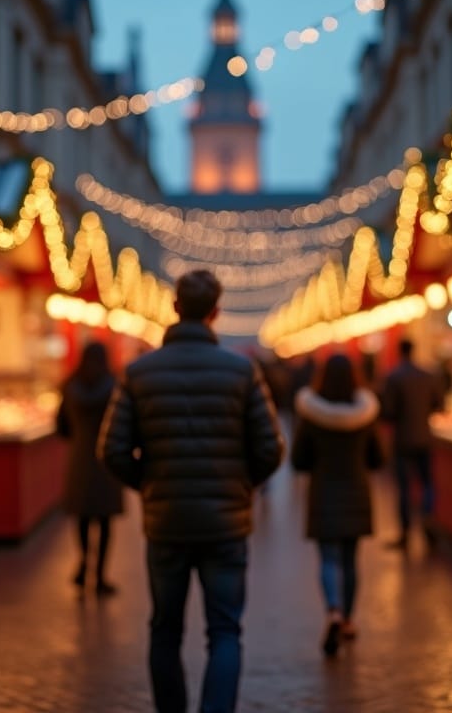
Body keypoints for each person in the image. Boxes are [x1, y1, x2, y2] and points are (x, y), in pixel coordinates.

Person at [98, 269, 283, 713]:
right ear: (216, 312)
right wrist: (240, 485)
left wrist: (150, 486)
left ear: (175, 307)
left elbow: (112, 449)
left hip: (167, 524)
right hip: (226, 524)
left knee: (165, 629)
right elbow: (271, 448)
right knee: (224, 630)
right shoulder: (242, 371)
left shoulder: (139, 372)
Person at [291, 353, 382, 657]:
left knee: (328, 558)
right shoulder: (365, 414)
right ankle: (348, 620)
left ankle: (332, 610)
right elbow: (377, 458)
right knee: (350, 560)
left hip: (323, 492)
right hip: (356, 491)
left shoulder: (311, 414)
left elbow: (299, 460)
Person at [57, 341, 124, 596]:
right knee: (105, 521)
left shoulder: (70, 387)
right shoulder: (114, 387)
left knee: (82, 518)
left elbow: (61, 425)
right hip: (106, 462)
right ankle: (101, 575)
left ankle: (84, 564)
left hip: (79, 460)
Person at [379, 338, 444, 549]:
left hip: (403, 440)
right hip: (424, 437)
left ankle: (405, 532)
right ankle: (427, 517)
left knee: (404, 487)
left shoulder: (393, 377)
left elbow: (387, 411)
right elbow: (438, 404)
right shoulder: (428, 375)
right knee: (427, 483)